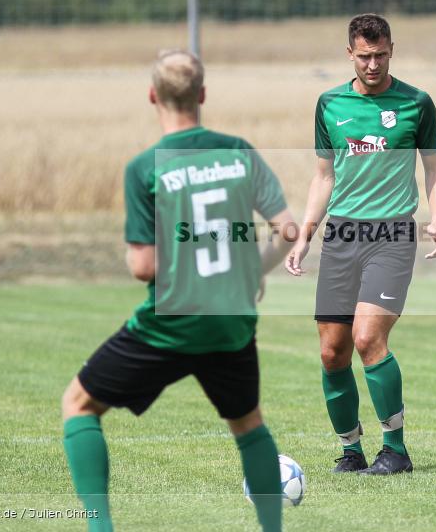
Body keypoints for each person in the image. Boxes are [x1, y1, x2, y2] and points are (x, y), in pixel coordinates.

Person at [61, 49, 296, 531]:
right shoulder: (238, 150)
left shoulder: (145, 168)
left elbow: (143, 266)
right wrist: (253, 271)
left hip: (170, 323)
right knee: (248, 423)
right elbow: (289, 231)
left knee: (79, 404)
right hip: (230, 321)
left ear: (153, 96)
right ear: (202, 94)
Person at [285, 14, 436, 475]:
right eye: (364, 56)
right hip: (342, 235)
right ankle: (352, 450)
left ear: (392, 50)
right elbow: (324, 177)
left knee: (367, 338)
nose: (373, 65)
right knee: (331, 352)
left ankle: (395, 450)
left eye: (380, 55)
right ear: (349, 54)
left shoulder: (416, 103)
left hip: (392, 235)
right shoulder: (329, 104)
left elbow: (435, 169)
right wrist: (305, 234)